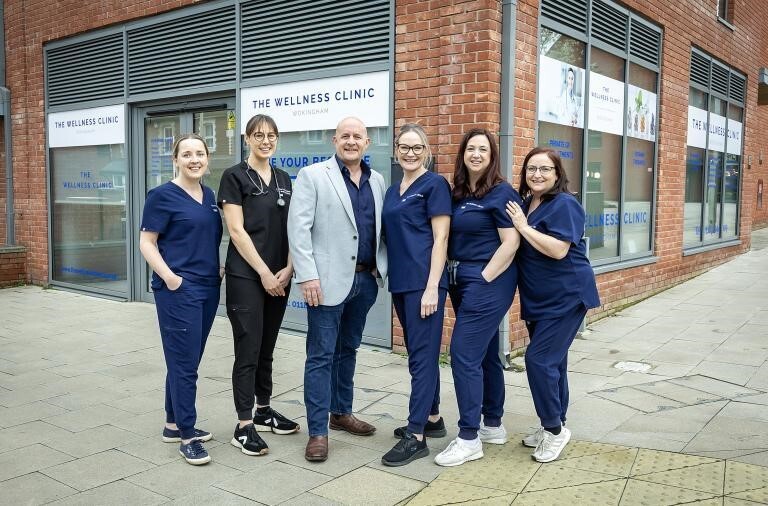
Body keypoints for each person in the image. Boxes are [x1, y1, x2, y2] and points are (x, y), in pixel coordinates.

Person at [288, 116, 388, 463]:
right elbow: (298, 229)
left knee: (349, 351)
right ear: (334, 141)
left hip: (364, 281)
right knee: (321, 356)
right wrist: (307, 276)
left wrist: (379, 269)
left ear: (366, 143)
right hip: (325, 284)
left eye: (357, 136)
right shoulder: (313, 175)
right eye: (344, 136)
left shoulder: (377, 180)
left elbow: (378, 230)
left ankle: (341, 412)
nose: (351, 141)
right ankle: (318, 432)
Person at [433, 128, 522, 467]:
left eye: (483, 149)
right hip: (460, 278)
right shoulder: (457, 192)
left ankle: (469, 437)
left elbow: (511, 242)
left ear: (492, 155)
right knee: (484, 353)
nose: (476, 154)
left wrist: (483, 277)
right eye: (471, 148)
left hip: (489, 279)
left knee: (462, 353)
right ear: (463, 153)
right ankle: (493, 425)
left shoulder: (501, 193)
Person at [506, 147, 600, 463]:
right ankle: (554, 425)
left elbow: (558, 250)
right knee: (554, 363)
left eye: (545, 169)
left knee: (539, 361)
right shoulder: (526, 203)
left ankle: (555, 431)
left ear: (557, 174)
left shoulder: (565, 204)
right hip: (539, 299)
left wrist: (523, 227)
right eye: (532, 168)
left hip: (567, 295)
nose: (537, 174)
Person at [218, 114, 299, 457]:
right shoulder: (234, 176)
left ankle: (264, 410)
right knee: (248, 348)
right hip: (247, 277)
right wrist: (265, 273)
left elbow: (297, 226)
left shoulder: (283, 178)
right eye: (258, 135)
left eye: (271, 135)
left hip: (281, 277)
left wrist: (290, 268)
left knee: (267, 347)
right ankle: (243, 425)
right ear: (247, 139)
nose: (266, 140)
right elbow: (236, 231)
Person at [139, 134, 223, 466]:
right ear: (175, 159)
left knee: (185, 359)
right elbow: (147, 242)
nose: (194, 159)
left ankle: (172, 424)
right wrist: (171, 278)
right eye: (186, 154)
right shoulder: (161, 196)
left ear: (207, 159)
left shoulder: (210, 195)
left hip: (208, 288)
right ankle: (188, 435)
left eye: (200, 154)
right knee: (185, 364)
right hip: (179, 290)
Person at [380, 124, 451, 466]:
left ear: (426, 151)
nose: (410, 153)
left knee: (422, 358)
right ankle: (433, 418)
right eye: (404, 147)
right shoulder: (394, 190)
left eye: (417, 147)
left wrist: (433, 287)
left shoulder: (435, 185)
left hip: (425, 285)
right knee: (416, 354)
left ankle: (416, 435)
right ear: (396, 150)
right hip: (401, 283)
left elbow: (441, 240)